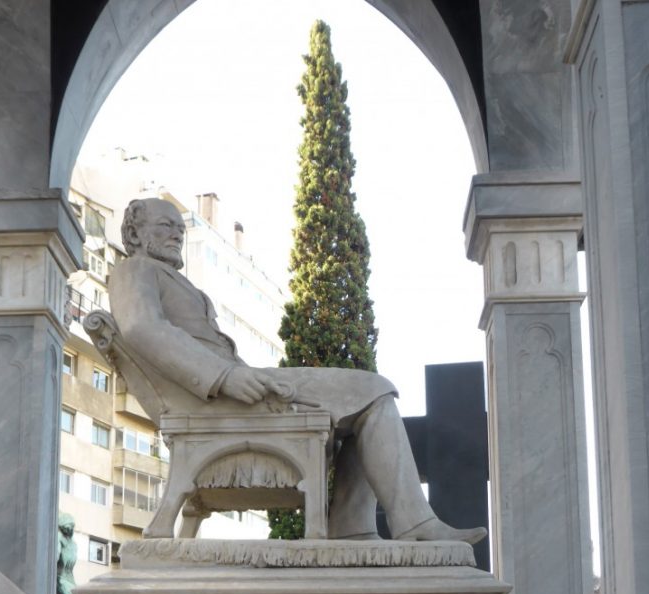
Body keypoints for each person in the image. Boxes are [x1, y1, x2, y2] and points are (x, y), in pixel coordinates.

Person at [108, 197, 485, 544]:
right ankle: (410, 527)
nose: (175, 232)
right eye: (164, 225)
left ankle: (354, 529)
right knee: (374, 389)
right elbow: (143, 328)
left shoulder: (168, 277)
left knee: (369, 400)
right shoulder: (134, 270)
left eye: (179, 227)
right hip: (219, 397)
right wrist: (225, 376)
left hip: (235, 387)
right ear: (134, 234)